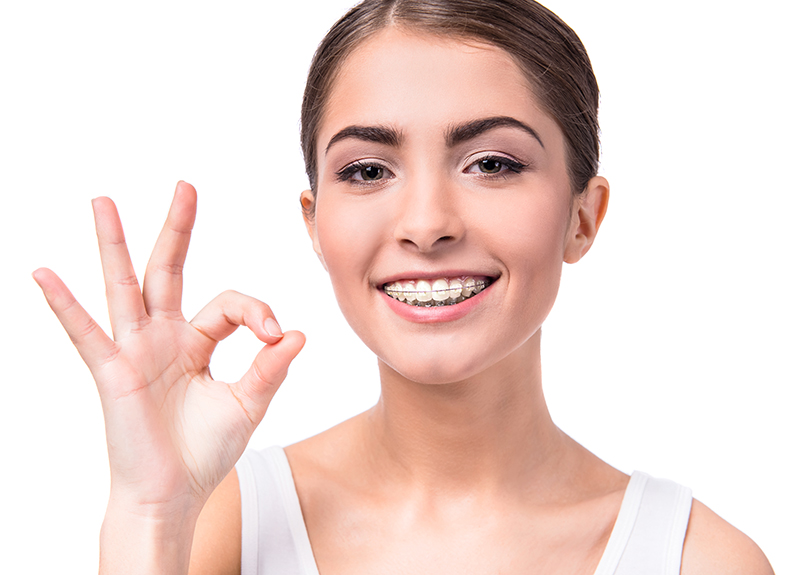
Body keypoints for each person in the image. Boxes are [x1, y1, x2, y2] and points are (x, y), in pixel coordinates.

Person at [32, 0, 774, 573]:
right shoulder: (222, 525)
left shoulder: (696, 558)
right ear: (316, 224)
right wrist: (149, 512)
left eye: (492, 163)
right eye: (367, 171)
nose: (425, 223)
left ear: (583, 216)